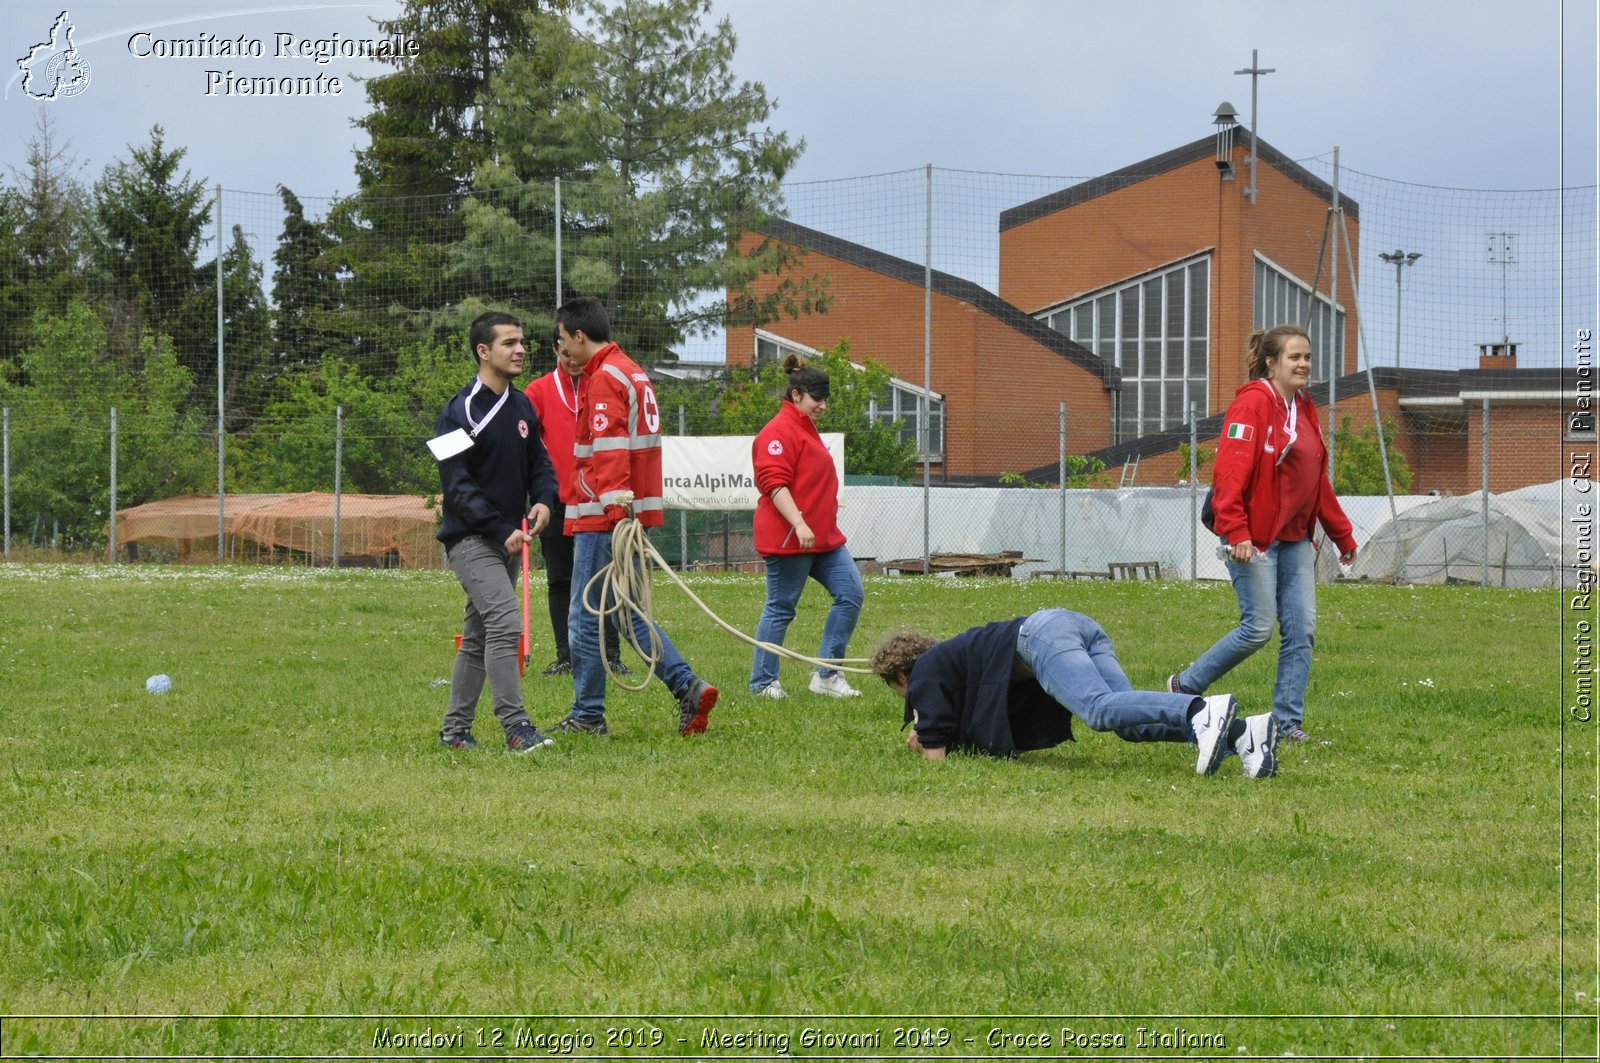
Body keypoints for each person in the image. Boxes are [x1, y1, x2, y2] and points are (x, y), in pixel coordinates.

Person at [1168, 324, 1357, 743]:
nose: (1304, 364)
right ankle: (1183, 689)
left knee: (1302, 630)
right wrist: (1236, 531)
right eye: (1295, 357)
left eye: (1307, 356)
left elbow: (1316, 481)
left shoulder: (1304, 407)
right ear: (1271, 363)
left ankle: (1286, 724)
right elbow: (1229, 474)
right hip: (1251, 537)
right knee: (1257, 628)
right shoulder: (1253, 404)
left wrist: (1342, 536)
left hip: (1294, 540)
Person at [548, 296, 717, 738]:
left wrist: (614, 511)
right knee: (627, 614)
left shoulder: (604, 378)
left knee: (585, 618)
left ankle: (587, 716)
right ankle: (688, 686)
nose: (563, 350)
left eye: (565, 341)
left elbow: (609, 452)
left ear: (579, 336)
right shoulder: (632, 371)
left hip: (604, 520)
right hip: (624, 516)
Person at [870, 608, 1277, 777]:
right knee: (1125, 721)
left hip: (1041, 636)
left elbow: (937, 739)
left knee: (1099, 711)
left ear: (900, 678)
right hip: (1072, 625)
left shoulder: (923, 674)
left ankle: (1199, 711)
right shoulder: (946, 662)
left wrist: (925, 748)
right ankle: (1244, 734)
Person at [433, 310, 559, 753]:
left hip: (508, 539)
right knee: (506, 624)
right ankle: (516, 727)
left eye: (522, 341)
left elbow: (540, 464)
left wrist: (544, 498)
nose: (521, 349)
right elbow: (456, 485)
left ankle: (454, 732)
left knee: (479, 637)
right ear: (483, 351)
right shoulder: (457, 410)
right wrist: (499, 526)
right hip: (470, 540)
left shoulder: (523, 406)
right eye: (509, 343)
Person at [748, 354, 865, 700]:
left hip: (824, 540)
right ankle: (762, 683)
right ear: (796, 395)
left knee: (851, 594)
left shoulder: (805, 427)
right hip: (791, 539)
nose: (823, 406)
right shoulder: (778, 432)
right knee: (781, 607)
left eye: (826, 399)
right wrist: (799, 523)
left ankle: (827, 675)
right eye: (817, 399)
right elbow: (774, 484)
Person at [524, 327, 629, 678]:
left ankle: (609, 654)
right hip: (555, 502)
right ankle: (566, 655)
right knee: (560, 578)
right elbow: (526, 446)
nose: (571, 361)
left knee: (604, 578)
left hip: (596, 501)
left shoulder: (599, 382)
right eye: (564, 354)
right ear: (557, 350)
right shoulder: (538, 390)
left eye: (574, 354)